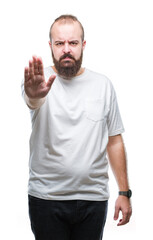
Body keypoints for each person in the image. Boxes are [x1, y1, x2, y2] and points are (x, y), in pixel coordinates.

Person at [22, 14, 132, 240]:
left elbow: (114, 140)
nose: (66, 49)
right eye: (59, 43)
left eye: (72, 43)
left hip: (93, 199)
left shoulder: (103, 85)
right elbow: (32, 99)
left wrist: (124, 192)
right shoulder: (39, 80)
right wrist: (33, 94)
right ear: (50, 46)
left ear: (83, 45)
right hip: (46, 198)